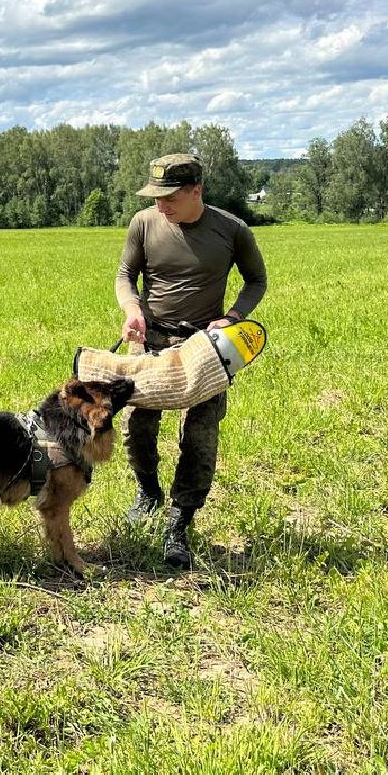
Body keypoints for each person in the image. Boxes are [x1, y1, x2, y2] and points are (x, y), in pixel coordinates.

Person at [114, 153, 267, 569]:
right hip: (152, 339)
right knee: (136, 427)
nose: (160, 206)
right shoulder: (143, 224)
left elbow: (257, 280)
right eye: (156, 197)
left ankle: (179, 521)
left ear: (195, 190)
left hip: (206, 346)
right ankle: (148, 492)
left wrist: (233, 318)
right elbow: (126, 274)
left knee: (200, 435)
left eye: (169, 198)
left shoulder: (232, 230)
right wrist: (132, 310)